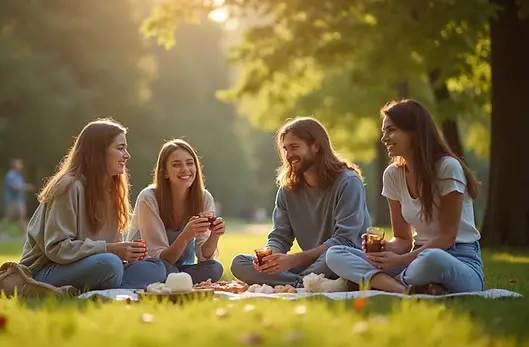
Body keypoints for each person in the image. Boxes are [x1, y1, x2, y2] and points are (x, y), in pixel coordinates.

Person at [326, 99, 484, 294]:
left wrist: (401, 261)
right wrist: (386, 248)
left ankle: (379, 282)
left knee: (432, 258)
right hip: (414, 260)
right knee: (334, 253)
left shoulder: (447, 167)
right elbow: (403, 240)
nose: (384, 138)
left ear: (415, 132)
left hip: (457, 259)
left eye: (391, 130)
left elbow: (447, 237)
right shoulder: (392, 175)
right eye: (384, 131)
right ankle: (402, 288)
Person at [19, 119, 167, 292]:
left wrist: (129, 254)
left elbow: (111, 247)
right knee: (109, 265)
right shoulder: (69, 187)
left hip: (95, 266)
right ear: (98, 152)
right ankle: (107, 287)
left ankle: (101, 288)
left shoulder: (113, 191)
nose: (127, 155)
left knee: (157, 268)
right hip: (47, 270)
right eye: (120, 148)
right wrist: (111, 250)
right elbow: (57, 248)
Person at [230, 117, 371, 288]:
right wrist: (270, 258)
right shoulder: (287, 190)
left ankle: (300, 283)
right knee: (240, 263)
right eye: (286, 149)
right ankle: (308, 283)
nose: (289, 155)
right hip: (309, 263)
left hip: (341, 259)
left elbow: (345, 241)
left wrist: (294, 260)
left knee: (333, 257)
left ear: (316, 146)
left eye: (295, 147)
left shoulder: (348, 183)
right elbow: (279, 236)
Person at [127, 139, 225, 284]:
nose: (185, 169)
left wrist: (215, 235)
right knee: (162, 269)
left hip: (180, 267)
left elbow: (204, 256)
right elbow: (159, 258)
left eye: (189, 163)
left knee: (215, 268)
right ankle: (178, 279)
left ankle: (176, 279)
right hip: (150, 265)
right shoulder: (148, 198)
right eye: (176, 165)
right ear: (165, 172)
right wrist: (185, 236)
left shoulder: (203, 197)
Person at [0, 158, 34, 238]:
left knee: (22, 216)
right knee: (8, 216)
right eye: (19, 164)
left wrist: (25, 186)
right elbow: (13, 186)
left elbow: (20, 185)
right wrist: (25, 187)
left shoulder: (18, 176)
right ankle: (2, 233)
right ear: (15, 166)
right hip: (11, 200)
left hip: (19, 200)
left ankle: (24, 234)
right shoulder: (10, 175)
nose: (21, 166)